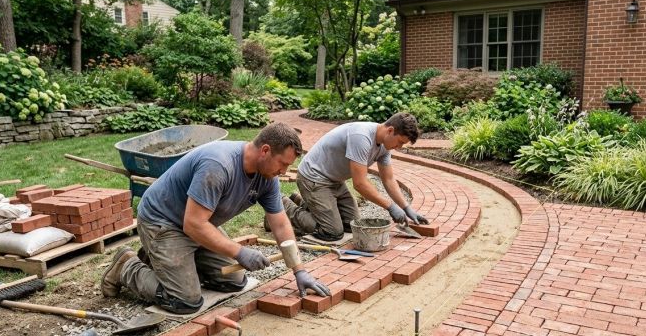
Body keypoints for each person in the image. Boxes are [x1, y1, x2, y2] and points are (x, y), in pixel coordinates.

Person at [101, 123, 330, 314]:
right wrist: (239, 252)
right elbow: (193, 224)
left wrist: (299, 269)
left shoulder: (267, 178)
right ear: (265, 150)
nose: (284, 171)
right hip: (163, 222)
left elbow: (280, 223)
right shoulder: (219, 165)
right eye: (283, 164)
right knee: (185, 301)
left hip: (199, 224)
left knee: (234, 281)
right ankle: (126, 266)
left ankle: (166, 262)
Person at [281, 112, 428, 241]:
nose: (399, 147)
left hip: (335, 181)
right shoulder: (361, 137)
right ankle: (283, 204)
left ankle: (302, 201)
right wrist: (390, 207)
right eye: (400, 142)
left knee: (353, 225)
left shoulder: (384, 146)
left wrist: (406, 208)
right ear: (390, 130)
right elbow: (360, 184)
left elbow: (388, 179)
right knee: (332, 232)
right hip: (314, 178)